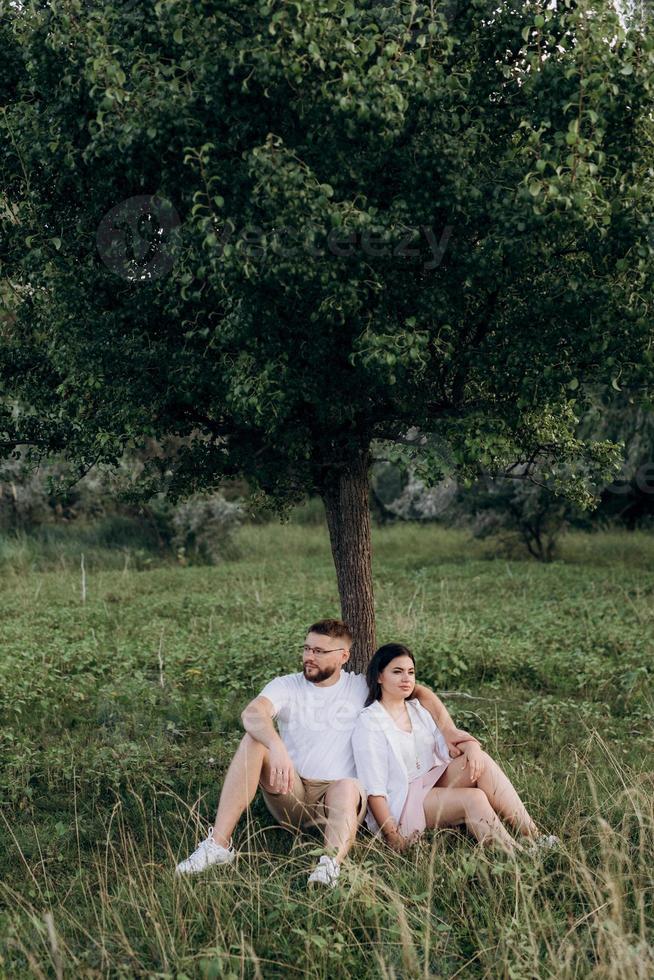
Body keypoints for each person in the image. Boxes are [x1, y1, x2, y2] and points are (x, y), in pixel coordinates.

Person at [175, 620, 479, 887]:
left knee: (347, 784)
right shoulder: (287, 686)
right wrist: (276, 745)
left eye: (319, 651)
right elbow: (253, 713)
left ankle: (329, 865)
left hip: (338, 800)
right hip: (290, 789)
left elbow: (419, 691)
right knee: (254, 740)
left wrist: (448, 728)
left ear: (343, 656)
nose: (309, 657)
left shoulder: (362, 687)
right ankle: (218, 846)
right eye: (307, 648)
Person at [352, 643, 560, 855]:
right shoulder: (369, 722)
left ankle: (534, 835)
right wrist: (392, 835)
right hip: (402, 802)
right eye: (397, 672)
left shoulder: (418, 710)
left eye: (411, 672)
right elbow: (374, 789)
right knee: (474, 798)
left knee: (479, 761)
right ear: (379, 677)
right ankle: (515, 855)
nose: (406, 678)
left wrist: (471, 746)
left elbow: (448, 749)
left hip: (429, 781)